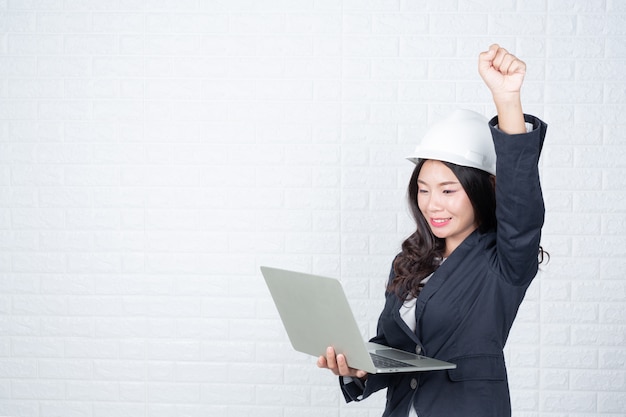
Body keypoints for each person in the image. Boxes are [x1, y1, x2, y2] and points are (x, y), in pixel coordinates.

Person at [317, 44, 548, 417]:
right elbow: (395, 348)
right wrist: (359, 367)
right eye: (423, 190)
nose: (432, 204)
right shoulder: (408, 261)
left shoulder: (504, 263)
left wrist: (507, 99)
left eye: (448, 190)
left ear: (483, 189)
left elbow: (521, 203)